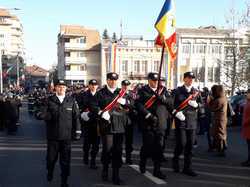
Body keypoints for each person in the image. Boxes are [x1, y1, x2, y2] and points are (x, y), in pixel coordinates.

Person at [136, 72, 184, 179]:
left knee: (159, 147)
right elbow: (138, 105)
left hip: (161, 123)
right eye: (153, 80)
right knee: (147, 146)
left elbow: (171, 102)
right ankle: (142, 162)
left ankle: (157, 170)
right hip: (148, 122)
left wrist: (163, 99)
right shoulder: (143, 91)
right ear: (148, 80)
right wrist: (147, 114)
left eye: (157, 81)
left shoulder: (164, 90)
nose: (155, 82)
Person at [38, 79, 81, 187]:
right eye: (59, 86)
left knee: (65, 160)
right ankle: (50, 171)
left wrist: (78, 131)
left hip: (66, 136)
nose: (61, 88)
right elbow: (41, 113)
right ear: (55, 88)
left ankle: (64, 180)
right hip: (53, 136)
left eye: (63, 87)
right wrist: (45, 116)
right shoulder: (49, 100)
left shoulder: (71, 101)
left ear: (66, 88)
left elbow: (76, 117)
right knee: (51, 159)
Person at [92, 72, 128, 185]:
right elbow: (93, 105)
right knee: (107, 150)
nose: (113, 82)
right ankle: (105, 169)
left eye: (115, 80)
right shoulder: (101, 93)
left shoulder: (121, 93)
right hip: (107, 126)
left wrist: (126, 101)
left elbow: (132, 104)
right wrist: (101, 113)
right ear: (107, 80)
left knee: (117, 151)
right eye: (111, 80)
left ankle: (116, 175)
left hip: (119, 125)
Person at [172, 71, 200, 177]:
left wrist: (197, 105)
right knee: (181, 143)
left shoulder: (196, 92)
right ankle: (175, 160)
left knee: (190, 145)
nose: (191, 80)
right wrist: (176, 113)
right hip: (181, 121)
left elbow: (201, 105)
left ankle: (187, 168)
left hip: (192, 121)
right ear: (184, 79)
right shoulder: (178, 91)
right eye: (189, 78)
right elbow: (171, 106)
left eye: (192, 78)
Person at [79, 79, 100, 169]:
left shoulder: (100, 95)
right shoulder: (83, 95)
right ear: (89, 85)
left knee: (96, 143)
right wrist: (82, 113)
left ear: (97, 86)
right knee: (87, 142)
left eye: (95, 85)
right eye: (91, 85)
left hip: (97, 121)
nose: (93, 86)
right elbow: (79, 106)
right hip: (86, 121)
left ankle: (93, 161)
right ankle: (86, 155)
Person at [207, 85, 228, 157]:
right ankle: (222, 148)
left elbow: (212, 108)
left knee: (219, 134)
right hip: (222, 119)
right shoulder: (223, 98)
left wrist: (209, 102)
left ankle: (221, 150)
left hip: (219, 119)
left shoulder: (219, 100)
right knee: (222, 133)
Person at [121, 79, 135, 164]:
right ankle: (118, 156)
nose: (126, 87)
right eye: (124, 85)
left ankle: (128, 157)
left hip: (129, 119)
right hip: (120, 119)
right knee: (119, 139)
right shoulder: (118, 94)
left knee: (129, 140)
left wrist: (127, 104)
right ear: (122, 85)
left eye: (127, 85)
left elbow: (134, 105)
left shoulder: (132, 95)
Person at [241, 89, 250, 167]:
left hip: (248, 125)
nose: (246, 94)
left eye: (248, 93)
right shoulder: (247, 102)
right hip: (246, 127)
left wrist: (245, 122)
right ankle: (248, 159)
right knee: (248, 145)